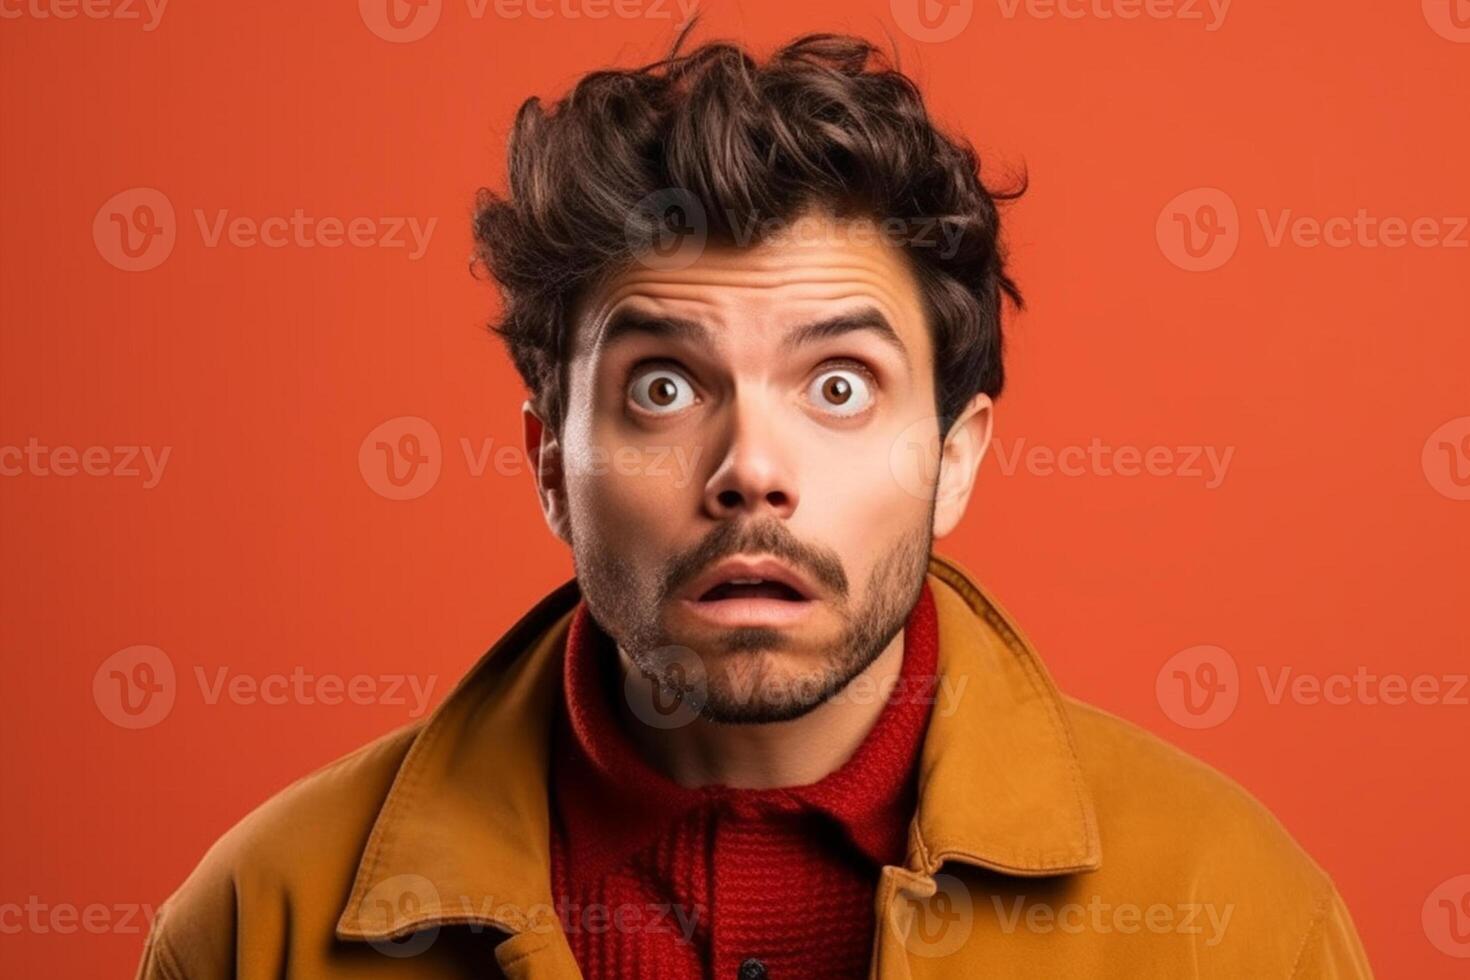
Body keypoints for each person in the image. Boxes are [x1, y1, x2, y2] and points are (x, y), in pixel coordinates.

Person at [135, 28, 1373, 980]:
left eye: (839, 383)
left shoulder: (1237, 915)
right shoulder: (262, 922)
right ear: (550, 463)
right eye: (664, 384)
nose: (751, 468)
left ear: (955, 455)